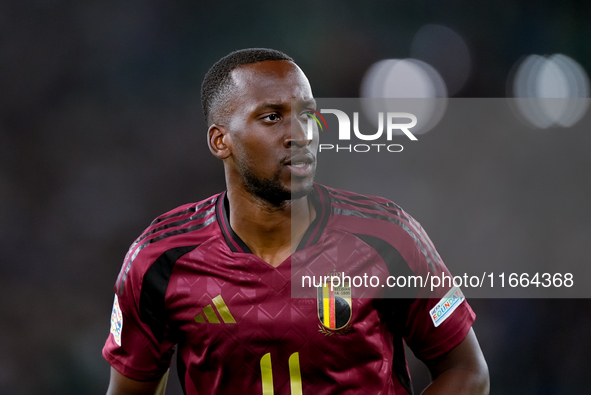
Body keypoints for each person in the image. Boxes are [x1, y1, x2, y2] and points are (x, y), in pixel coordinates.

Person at [103, 48, 489, 394]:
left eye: (307, 115)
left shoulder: (386, 236)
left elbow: (467, 372)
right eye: (272, 117)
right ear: (221, 141)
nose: (301, 134)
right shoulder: (158, 260)